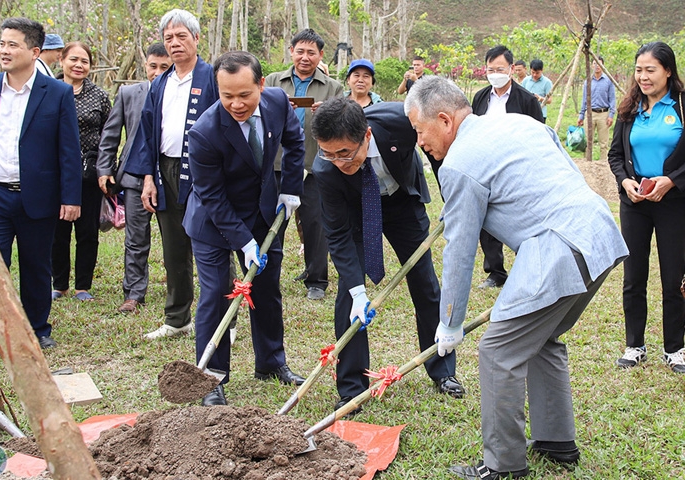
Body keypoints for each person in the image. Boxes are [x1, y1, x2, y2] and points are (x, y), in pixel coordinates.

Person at [405, 76, 627, 479]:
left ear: (444, 120)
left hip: (556, 248)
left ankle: (503, 465)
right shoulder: (522, 122)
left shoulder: (458, 164)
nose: (420, 142)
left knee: (497, 353)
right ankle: (557, 442)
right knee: (540, 339)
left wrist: (449, 322)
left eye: (420, 131)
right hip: (598, 233)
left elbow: (459, 250)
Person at [312, 98, 464, 415]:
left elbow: (440, 149)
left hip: (401, 202)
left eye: (345, 153)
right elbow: (338, 234)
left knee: (425, 283)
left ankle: (442, 370)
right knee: (347, 296)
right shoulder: (326, 168)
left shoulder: (401, 120)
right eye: (329, 153)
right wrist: (358, 292)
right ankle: (351, 387)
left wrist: (452, 196)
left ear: (367, 135)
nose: (338, 161)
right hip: (355, 210)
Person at [184, 51, 306, 406]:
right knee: (216, 294)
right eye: (227, 96)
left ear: (261, 85)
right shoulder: (205, 132)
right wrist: (243, 241)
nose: (236, 104)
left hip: (263, 212)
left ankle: (271, 363)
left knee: (266, 291)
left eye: (244, 95)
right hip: (212, 222)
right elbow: (212, 196)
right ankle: (211, 378)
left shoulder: (278, 102)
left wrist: (290, 189)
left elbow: (295, 143)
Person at [0, 18, 81, 361]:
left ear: (34, 51)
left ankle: (37, 329)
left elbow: (68, 148)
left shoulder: (56, 92)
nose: (4, 50)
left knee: (36, 265)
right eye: (2, 43)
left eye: (12, 44)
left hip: (37, 195)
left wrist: (70, 197)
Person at [123, 9, 218, 339]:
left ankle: (223, 322)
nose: (175, 43)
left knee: (212, 243)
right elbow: (147, 133)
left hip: (205, 172)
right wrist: (148, 177)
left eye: (181, 36)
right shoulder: (160, 83)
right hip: (166, 169)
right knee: (174, 249)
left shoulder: (213, 77)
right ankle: (177, 318)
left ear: (196, 38)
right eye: (169, 38)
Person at [607, 42, 685, 374]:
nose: (643, 76)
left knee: (674, 277)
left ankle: (676, 348)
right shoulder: (629, 109)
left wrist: (672, 180)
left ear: (668, 71)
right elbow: (615, 156)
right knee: (633, 275)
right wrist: (625, 182)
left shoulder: (681, 106)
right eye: (639, 70)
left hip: (674, 203)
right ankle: (635, 345)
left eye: (650, 70)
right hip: (636, 203)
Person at [265, 28, 343, 301]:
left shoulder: (333, 87)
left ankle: (317, 280)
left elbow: (343, 124)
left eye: (311, 52)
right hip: (277, 164)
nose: (305, 57)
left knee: (314, 224)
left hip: (314, 164)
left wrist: (328, 113)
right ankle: (268, 276)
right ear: (291, 52)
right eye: (300, 51)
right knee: (273, 222)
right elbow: (258, 113)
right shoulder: (274, 81)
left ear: (321, 55)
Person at [97, 43, 170, 314]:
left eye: (165, 67)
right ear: (145, 65)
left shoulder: (180, 95)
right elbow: (111, 134)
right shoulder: (129, 93)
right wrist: (104, 168)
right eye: (154, 66)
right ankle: (134, 294)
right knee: (136, 239)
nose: (158, 72)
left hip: (169, 177)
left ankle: (177, 288)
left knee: (174, 238)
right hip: (133, 177)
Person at [470, 46, 544, 290]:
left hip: (518, 169)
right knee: (487, 220)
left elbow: (538, 135)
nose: (495, 74)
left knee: (522, 219)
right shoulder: (481, 98)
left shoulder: (526, 100)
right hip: (486, 168)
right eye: (490, 70)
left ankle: (532, 269)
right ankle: (496, 272)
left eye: (500, 69)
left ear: (511, 70)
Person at [51, 42, 112, 301]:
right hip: (54, 171)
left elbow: (109, 134)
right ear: (62, 60)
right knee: (58, 231)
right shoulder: (48, 91)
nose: (79, 65)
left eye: (85, 61)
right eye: (73, 59)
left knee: (87, 231)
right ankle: (59, 284)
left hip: (89, 172)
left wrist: (106, 167)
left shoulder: (99, 96)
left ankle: (82, 286)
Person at [578, 56, 617, 160]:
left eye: (599, 64)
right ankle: (587, 162)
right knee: (587, 140)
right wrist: (581, 115)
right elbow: (584, 99)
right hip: (590, 113)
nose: (597, 66)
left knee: (603, 142)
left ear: (603, 66)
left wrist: (611, 115)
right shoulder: (588, 81)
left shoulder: (608, 81)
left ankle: (603, 163)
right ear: (591, 65)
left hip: (603, 114)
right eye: (594, 64)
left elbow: (612, 99)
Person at [521, 59, 553, 123]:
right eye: (533, 72)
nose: (535, 75)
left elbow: (549, 100)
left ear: (542, 70)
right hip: (527, 113)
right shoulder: (526, 80)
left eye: (537, 73)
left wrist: (539, 98)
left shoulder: (547, 82)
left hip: (540, 113)